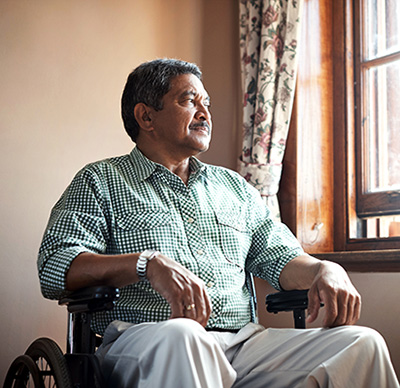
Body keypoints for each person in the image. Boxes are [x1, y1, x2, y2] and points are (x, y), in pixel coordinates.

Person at [38, 58, 399, 387]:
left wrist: (324, 269)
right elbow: (55, 265)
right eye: (189, 101)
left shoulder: (235, 189)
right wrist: (147, 264)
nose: (204, 113)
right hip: (147, 338)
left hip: (243, 342)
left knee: (361, 344)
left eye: (206, 103)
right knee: (184, 336)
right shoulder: (100, 180)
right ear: (146, 117)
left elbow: (281, 257)